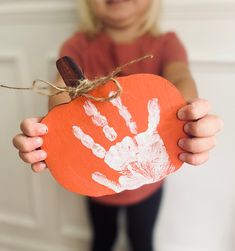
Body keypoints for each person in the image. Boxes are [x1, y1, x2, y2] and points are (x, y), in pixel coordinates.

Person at [12, 1, 223, 250]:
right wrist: (52, 129)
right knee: (102, 239)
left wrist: (188, 112)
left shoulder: (166, 43)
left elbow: (180, 77)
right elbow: (61, 91)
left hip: (150, 187)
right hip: (97, 186)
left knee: (142, 240)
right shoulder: (78, 45)